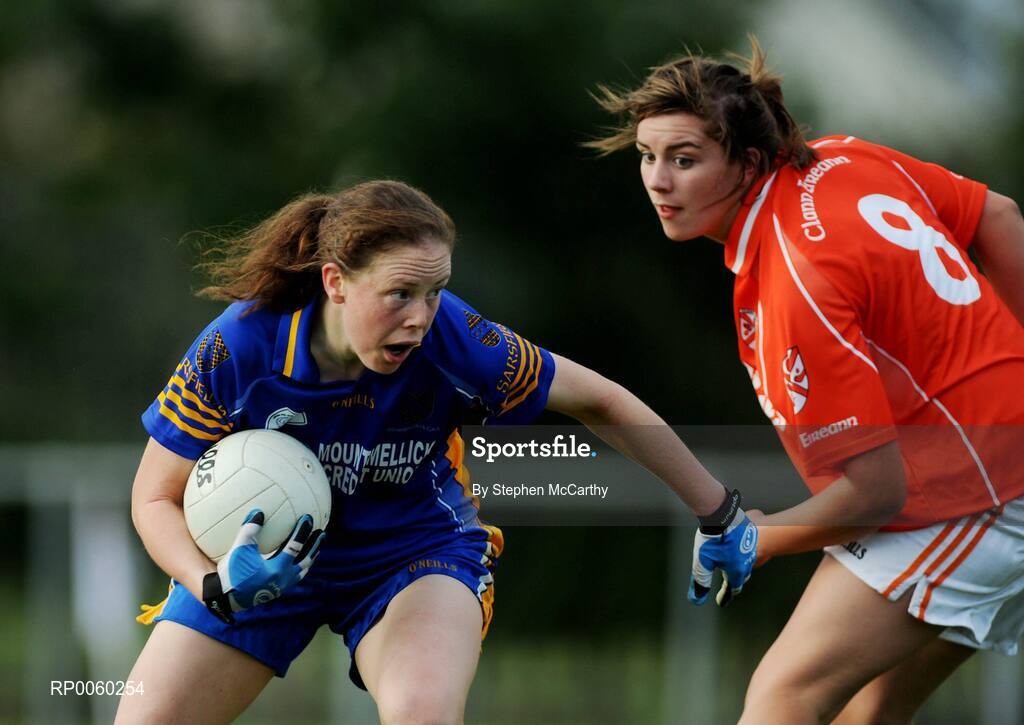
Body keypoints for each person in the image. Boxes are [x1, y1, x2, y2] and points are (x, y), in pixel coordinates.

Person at [115, 179, 757, 724]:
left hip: (412, 553)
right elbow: (153, 496)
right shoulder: (242, 345)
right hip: (262, 563)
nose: (421, 318)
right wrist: (215, 585)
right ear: (335, 282)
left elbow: (604, 401)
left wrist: (719, 512)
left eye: (435, 291)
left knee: (422, 714)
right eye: (400, 293)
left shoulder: (459, 341)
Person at [590, 38, 1024, 725]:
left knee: (783, 696)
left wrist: (758, 537)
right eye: (648, 156)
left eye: (685, 159)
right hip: (979, 473)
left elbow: (875, 493)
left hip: (984, 488)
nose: (658, 181)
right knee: (868, 710)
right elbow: (997, 215)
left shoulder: (795, 279)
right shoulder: (845, 156)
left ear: (750, 162)